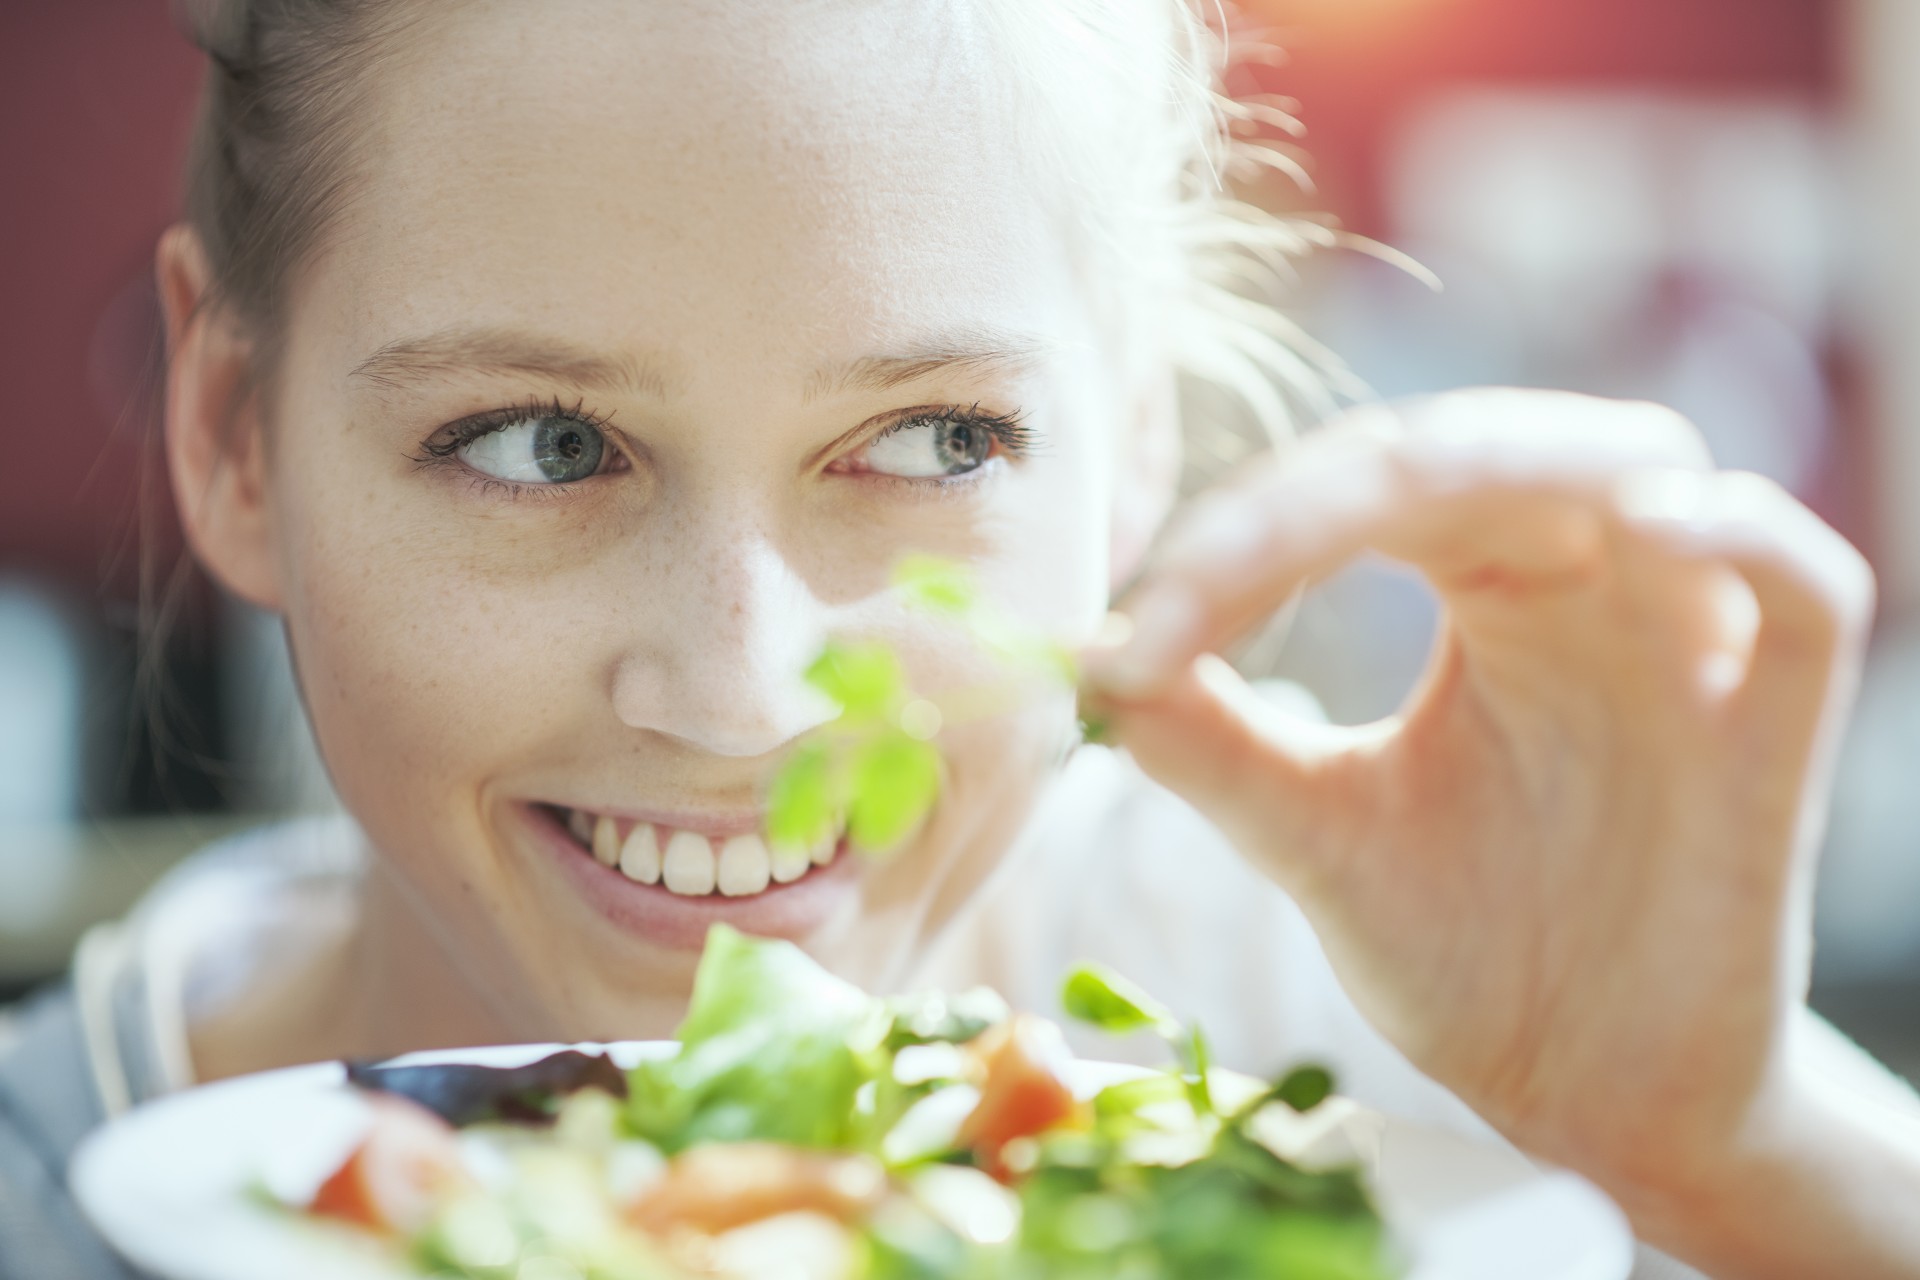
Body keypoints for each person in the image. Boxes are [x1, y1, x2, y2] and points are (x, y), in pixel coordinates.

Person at [3, 0, 1918, 1276]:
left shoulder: (1358, 1044)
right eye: (538, 443)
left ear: (1133, 452)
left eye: (935, 441)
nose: (744, 689)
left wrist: (1733, 1147)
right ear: (234, 435)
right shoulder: (62, 1188)